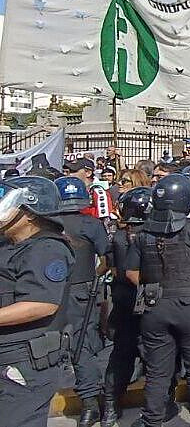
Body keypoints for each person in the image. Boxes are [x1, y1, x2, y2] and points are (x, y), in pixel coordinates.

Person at [124, 174, 190, 427]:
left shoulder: (143, 233)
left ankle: (152, 419)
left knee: (157, 370)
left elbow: (131, 273)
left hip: (154, 305)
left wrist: (153, 287)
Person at [0, 176, 75, 427]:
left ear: (30, 213)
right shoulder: (8, 245)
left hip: (22, 362)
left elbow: (42, 304)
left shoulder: (47, 249)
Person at [101, 188, 164, 427]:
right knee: (156, 356)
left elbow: (112, 268)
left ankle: (110, 406)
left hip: (124, 299)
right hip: (150, 298)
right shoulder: (154, 235)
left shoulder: (118, 237)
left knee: (121, 354)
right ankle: (159, 405)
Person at [53, 176, 111, 427]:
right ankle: (91, 402)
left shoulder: (48, 223)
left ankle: (92, 401)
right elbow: (107, 259)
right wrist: (93, 277)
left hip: (52, 290)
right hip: (82, 291)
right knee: (83, 346)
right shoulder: (91, 224)